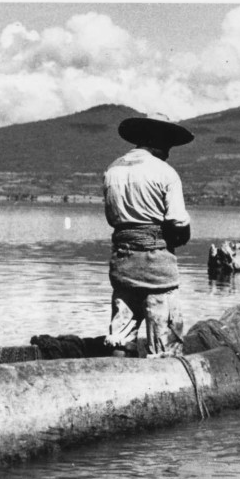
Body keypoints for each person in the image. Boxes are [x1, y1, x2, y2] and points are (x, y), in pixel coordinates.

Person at [102, 112, 195, 357]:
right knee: (166, 343)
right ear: (157, 141)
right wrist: (180, 237)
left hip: (122, 263)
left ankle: (116, 373)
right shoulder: (165, 172)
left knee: (120, 338)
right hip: (157, 267)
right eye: (168, 145)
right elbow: (178, 221)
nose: (169, 152)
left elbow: (113, 218)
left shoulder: (112, 169)